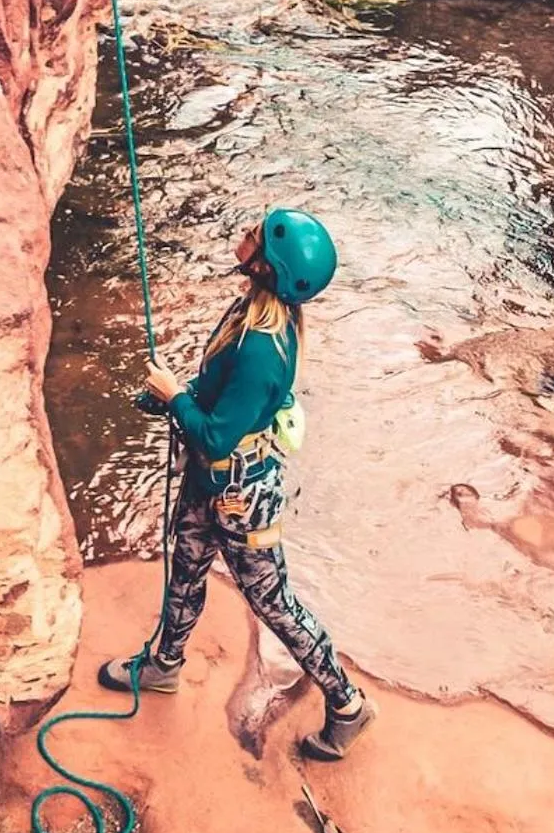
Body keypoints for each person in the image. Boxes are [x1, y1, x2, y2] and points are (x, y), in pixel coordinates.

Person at [99, 209, 375, 762]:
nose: (244, 233)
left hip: (241, 494)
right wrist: (176, 395)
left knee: (273, 603)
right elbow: (216, 387)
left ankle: (347, 704)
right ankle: (164, 665)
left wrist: (177, 398)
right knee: (187, 564)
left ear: (265, 266)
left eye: (255, 234)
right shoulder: (250, 312)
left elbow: (219, 437)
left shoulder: (261, 348)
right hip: (214, 483)